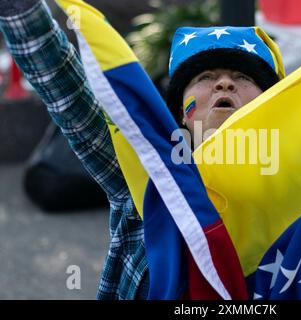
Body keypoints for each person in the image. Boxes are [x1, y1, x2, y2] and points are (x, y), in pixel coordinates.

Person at [0, 0, 284, 299]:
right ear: (182, 114)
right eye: (206, 77)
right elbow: (67, 89)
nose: (225, 83)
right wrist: (22, 11)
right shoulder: (146, 174)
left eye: (243, 77)